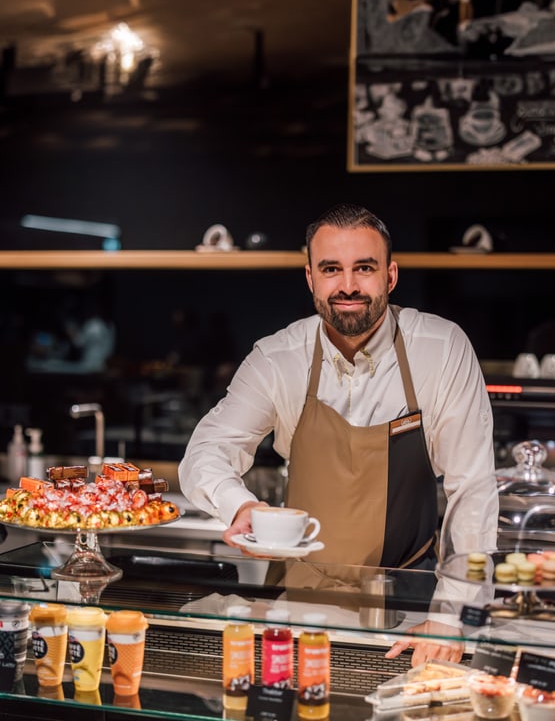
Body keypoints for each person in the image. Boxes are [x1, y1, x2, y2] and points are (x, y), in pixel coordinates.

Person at [178, 203, 497, 663]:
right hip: (298, 603)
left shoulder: (442, 348)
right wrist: (240, 506)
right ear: (311, 278)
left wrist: (452, 613)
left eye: (363, 268)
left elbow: (473, 488)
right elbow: (207, 452)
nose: (347, 285)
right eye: (332, 269)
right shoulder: (277, 358)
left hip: (411, 606)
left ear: (390, 276)